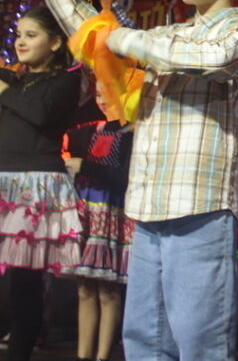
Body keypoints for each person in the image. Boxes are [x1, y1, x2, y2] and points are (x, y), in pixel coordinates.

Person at [37, 0, 238, 360]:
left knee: (199, 340)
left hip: (199, 208)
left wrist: (121, 37)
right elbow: (95, 36)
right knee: (144, 338)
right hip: (148, 204)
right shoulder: (166, 35)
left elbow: (206, 58)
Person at [0, 5, 84, 361]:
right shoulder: (15, 80)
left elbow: (40, 112)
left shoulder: (66, 80)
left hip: (34, 183)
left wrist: (3, 89)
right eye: (19, 35)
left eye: (30, 35)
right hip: (3, 179)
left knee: (25, 282)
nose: (20, 42)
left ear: (55, 42)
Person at [64, 87, 135, 361]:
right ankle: (83, 355)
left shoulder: (133, 133)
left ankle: (103, 355)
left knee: (108, 290)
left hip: (111, 213)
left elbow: (125, 177)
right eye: (99, 95)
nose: (102, 101)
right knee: (84, 289)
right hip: (88, 214)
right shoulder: (91, 130)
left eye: (109, 94)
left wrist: (85, 166)